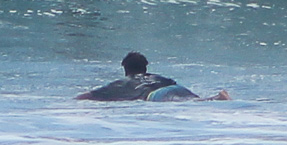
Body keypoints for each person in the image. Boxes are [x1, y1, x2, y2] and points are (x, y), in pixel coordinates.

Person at [76, 52, 231, 102]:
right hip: (174, 88)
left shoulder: (122, 83)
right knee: (195, 101)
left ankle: (218, 98)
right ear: (145, 67)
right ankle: (218, 97)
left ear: (125, 68)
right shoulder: (160, 77)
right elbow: (173, 85)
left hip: (156, 95)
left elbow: (87, 96)